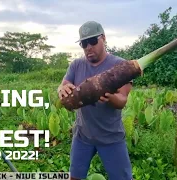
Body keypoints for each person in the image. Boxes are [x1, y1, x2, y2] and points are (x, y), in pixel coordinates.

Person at [57, 21, 133, 180]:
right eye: (84, 44)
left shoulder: (120, 65)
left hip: (110, 136)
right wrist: (61, 90)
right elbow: (64, 85)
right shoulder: (76, 65)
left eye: (92, 41)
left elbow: (122, 100)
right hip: (82, 135)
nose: (88, 47)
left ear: (103, 38)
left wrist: (111, 98)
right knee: (75, 177)